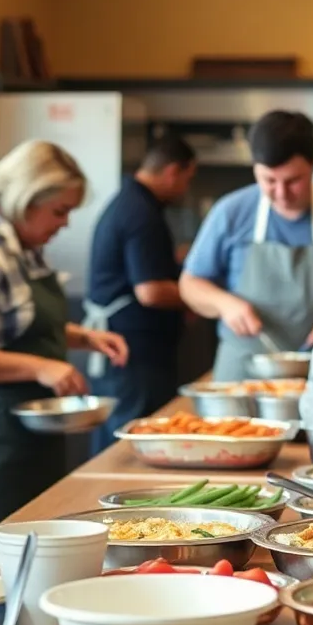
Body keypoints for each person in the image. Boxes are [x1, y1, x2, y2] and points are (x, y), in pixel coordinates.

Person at [0, 140, 128, 548]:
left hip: (33, 438)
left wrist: (83, 337)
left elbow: (16, 321)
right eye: (59, 211)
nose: (65, 223)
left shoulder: (23, 246)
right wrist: (41, 367)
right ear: (25, 200)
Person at [180, 110, 313, 381]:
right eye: (269, 180)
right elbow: (190, 284)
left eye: (293, 181)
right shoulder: (230, 212)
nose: (280, 194)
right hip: (242, 373)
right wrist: (224, 304)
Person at [84, 134, 196, 453]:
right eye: (187, 179)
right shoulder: (140, 212)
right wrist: (202, 298)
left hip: (132, 348)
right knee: (126, 443)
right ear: (173, 171)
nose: (185, 189)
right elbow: (150, 292)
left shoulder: (134, 203)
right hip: (131, 353)